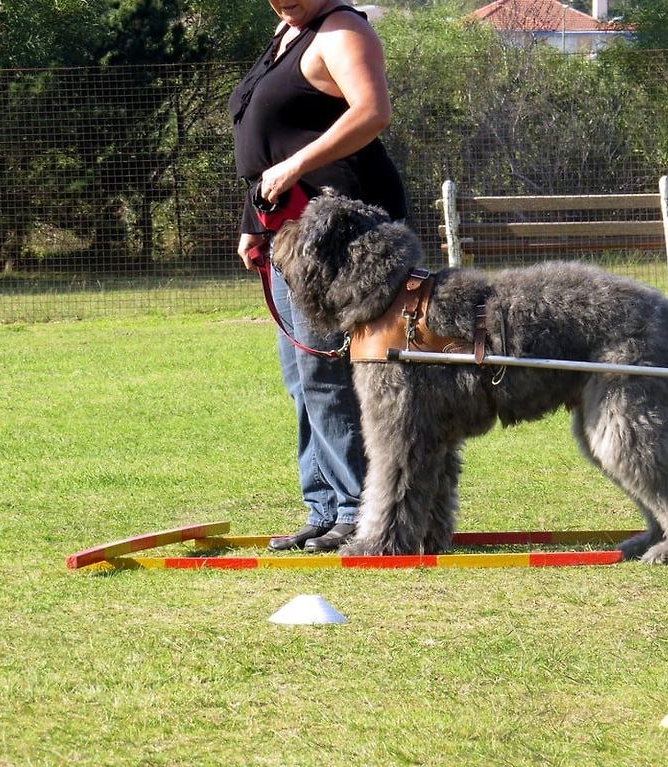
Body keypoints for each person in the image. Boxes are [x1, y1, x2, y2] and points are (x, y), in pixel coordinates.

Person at [228, 0, 407, 553]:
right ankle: (324, 507)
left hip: (340, 233)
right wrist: (254, 223)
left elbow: (372, 112)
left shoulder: (342, 30)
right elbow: (269, 152)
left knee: (327, 374)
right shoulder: (289, 32)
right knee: (302, 377)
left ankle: (357, 511)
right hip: (290, 227)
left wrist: (296, 165)